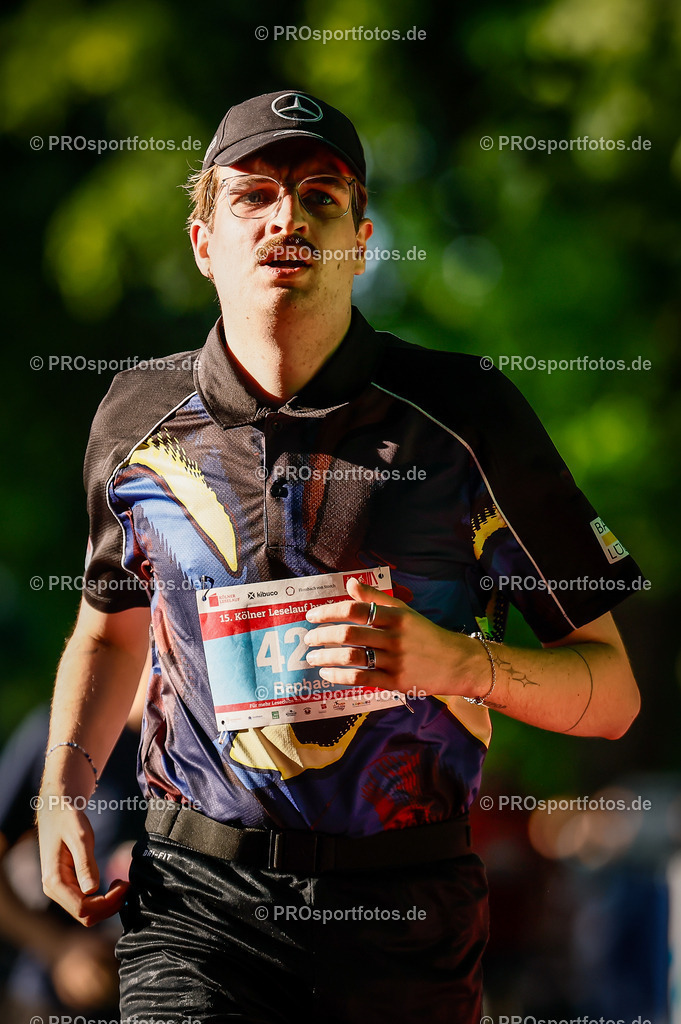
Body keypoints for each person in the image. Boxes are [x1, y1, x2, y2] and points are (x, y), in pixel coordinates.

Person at [36, 89, 644, 1024]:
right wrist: (61, 788)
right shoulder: (133, 416)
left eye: (320, 197)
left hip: (404, 914)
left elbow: (611, 696)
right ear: (203, 242)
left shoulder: (466, 416)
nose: (287, 217)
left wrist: (454, 663)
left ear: (360, 243)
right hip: (194, 901)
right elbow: (111, 634)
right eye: (253, 195)